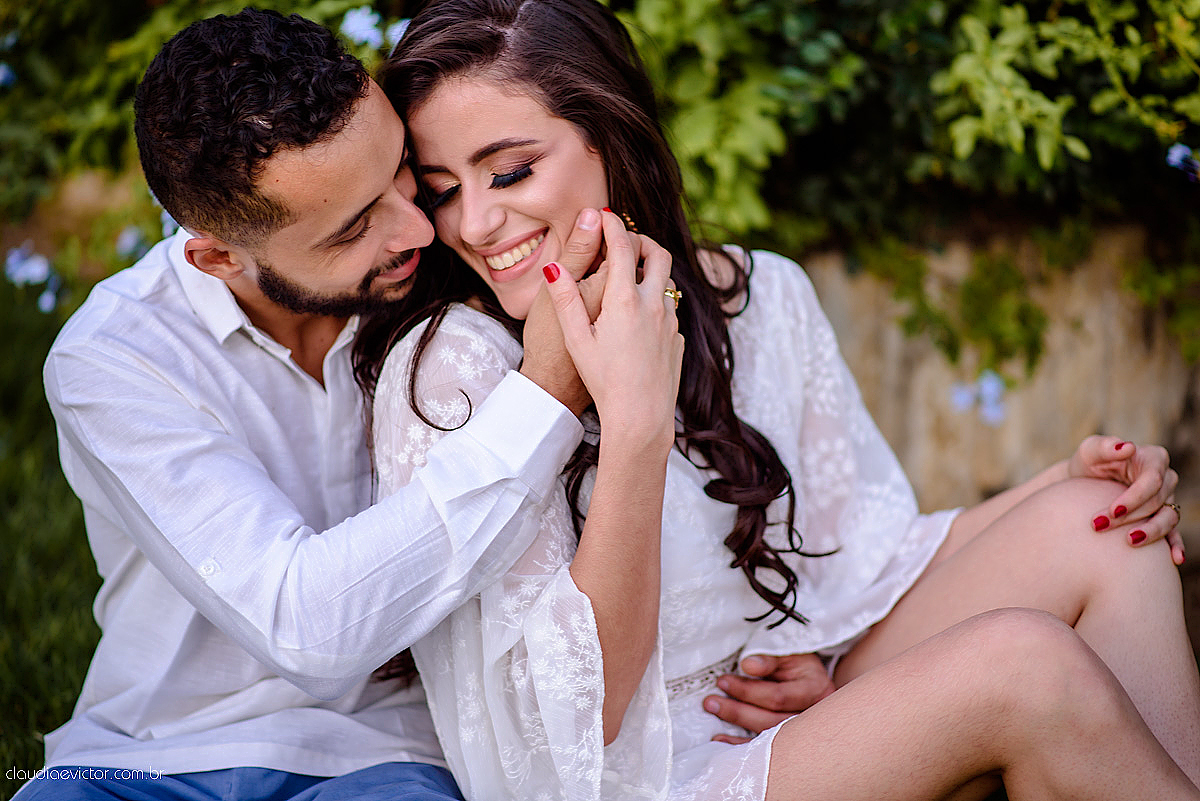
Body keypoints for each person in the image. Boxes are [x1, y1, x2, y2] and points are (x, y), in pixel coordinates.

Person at [350, 0, 1200, 798]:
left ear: (612, 137)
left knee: (1107, 521)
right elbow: (569, 730)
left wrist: (1060, 483)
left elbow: (867, 560)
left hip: (786, 716)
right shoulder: (451, 369)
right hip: (644, 774)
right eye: (444, 188)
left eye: (510, 171)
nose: (476, 223)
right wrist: (635, 419)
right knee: (1024, 663)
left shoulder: (759, 295)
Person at [17, 9, 665, 800]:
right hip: (155, 754)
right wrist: (545, 393)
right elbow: (306, 624)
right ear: (219, 256)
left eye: (401, 171)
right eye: (355, 227)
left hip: (384, 753)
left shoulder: (463, 276)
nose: (421, 225)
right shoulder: (117, 357)